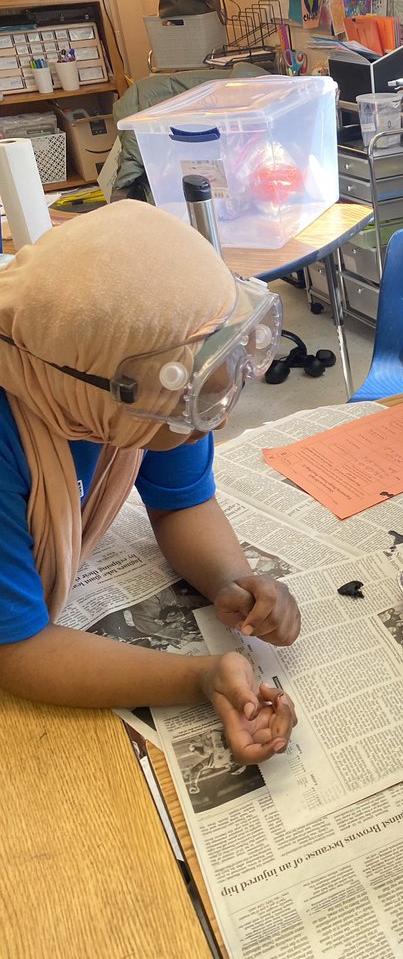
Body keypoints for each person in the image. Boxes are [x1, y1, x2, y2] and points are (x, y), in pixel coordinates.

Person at [0, 201, 300, 763]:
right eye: (197, 402)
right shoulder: (121, 399)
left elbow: (182, 505)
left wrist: (233, 581)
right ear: (109, 392)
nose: (219, 417)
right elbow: (16, 650)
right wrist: (197, 678)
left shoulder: (125, 390)